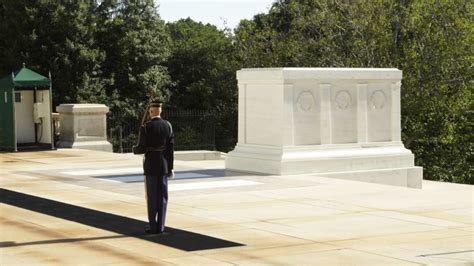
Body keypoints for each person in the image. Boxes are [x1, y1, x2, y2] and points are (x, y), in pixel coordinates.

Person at [133, 101, 175, 234]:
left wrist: (134, 149)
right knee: (162, 196)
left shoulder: (146, 127)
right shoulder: (168, 125)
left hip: (150, 164)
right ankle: (161, 226)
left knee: (151, 196)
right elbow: (170, 149)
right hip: (163, 165)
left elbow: (141, 149)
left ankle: (152, 225)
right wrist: (171, 167)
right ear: (160, 111)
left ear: (151, 111)